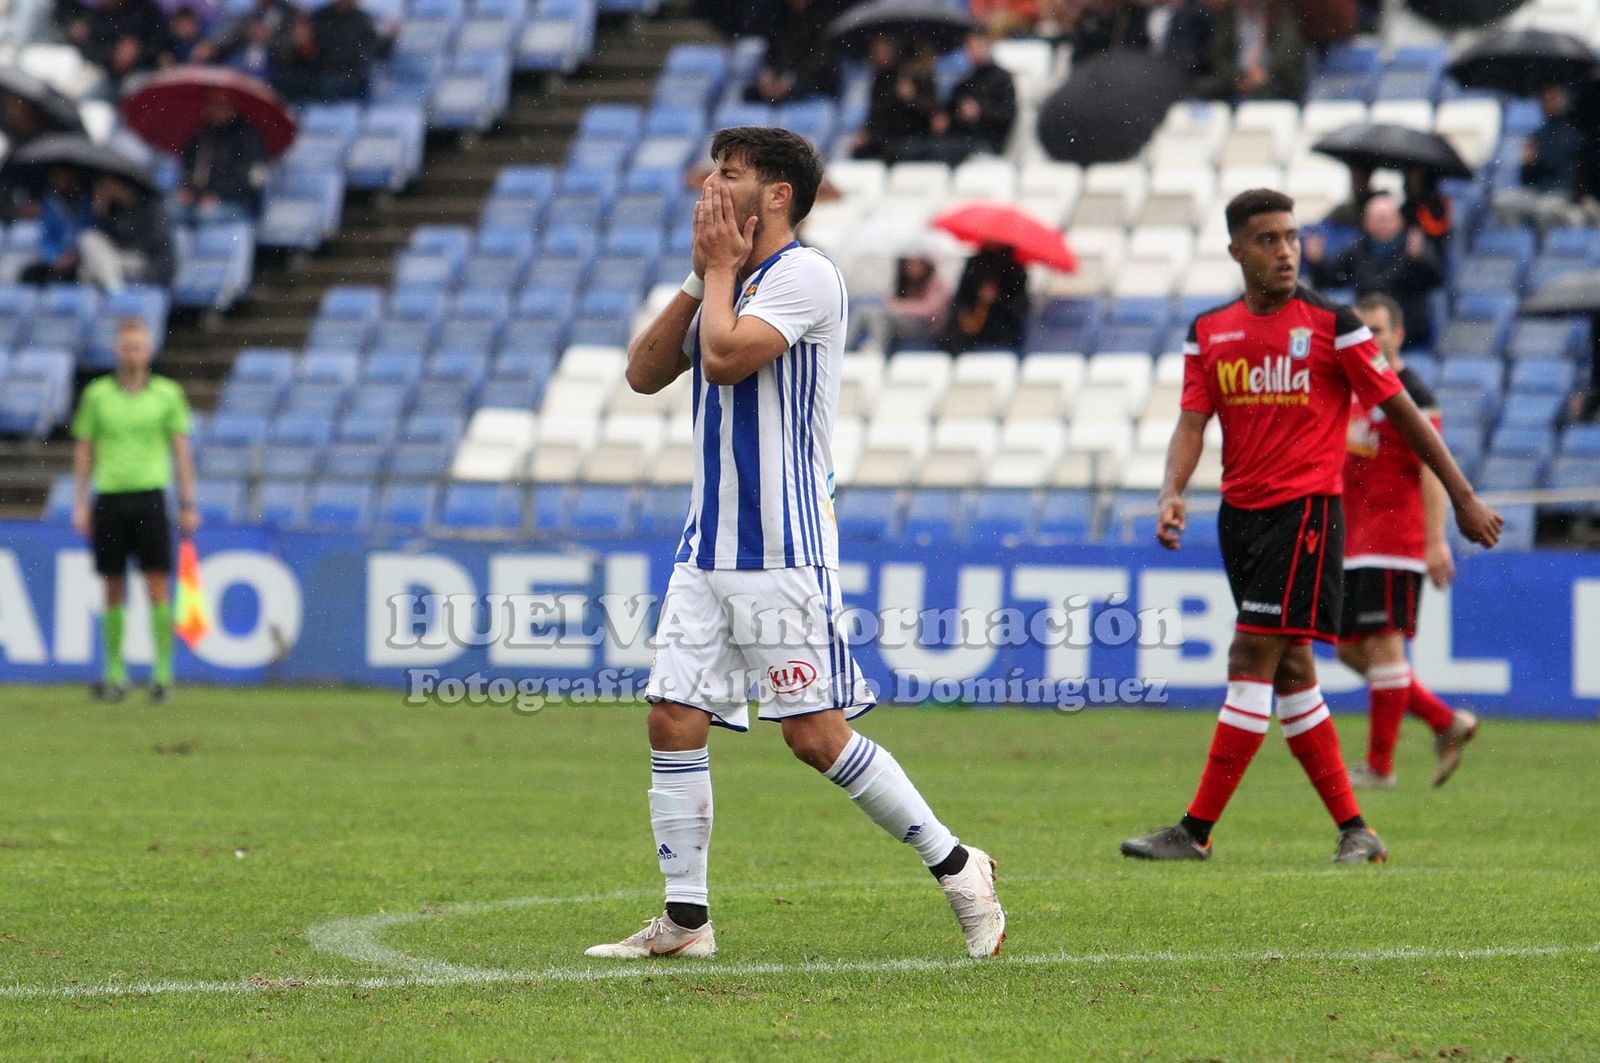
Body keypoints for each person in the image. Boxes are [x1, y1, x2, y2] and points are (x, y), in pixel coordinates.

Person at [588, 126, 1006, 961]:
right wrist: (700, 269)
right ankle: (686, 921)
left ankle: (961, 867)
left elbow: (726, 360)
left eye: (730, 173)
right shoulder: (724, 273)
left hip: (782, 545)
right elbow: (642, 373)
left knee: (814, 737)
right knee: (673, 716)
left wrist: (716, 272)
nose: (712, 183)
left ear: (776, 195)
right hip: (707, 543)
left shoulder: (806, 274)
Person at [1119, 188, 1501, 864]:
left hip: (1305, 514)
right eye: (1268, 239)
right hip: (1240, 519)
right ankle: (1358, 829)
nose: (1286, 250)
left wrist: (1462, 495)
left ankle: (1196, 828)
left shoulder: (1333, 323)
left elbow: (1403, 409)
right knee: (1292, 670)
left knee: (1249, 659)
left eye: (1292, 237)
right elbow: (1191, 421)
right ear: (1236, 249)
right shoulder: (1209, 330)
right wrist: (1170, 490)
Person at [1337, 293, 1479, 790]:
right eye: (1362, 330)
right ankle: (1444, 721)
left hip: (1394, 541)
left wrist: (1434, 540)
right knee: (1347, 650)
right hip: (1353, 542)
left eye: (1378, 329)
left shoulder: (1411, 392)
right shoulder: (1356, 388)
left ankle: (1379, 768)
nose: (1370, 339)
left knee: (1384, 650)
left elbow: (1431, 469)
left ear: (1397, 334)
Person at [71, 316, 198, 703]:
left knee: (157, 584)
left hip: (150, 497)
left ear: (149, 352)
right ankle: (115, 673)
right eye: (127, 347)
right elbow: (84, 449)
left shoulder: (167, 394)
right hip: (109, 497)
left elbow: (180, 451)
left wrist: (188, 502)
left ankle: (162, 674)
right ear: (116, 351)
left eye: (139, 347)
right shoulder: (97, 395)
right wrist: (80, 502)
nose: (133, 353)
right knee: (112, 585)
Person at [1304, 193, 1444, 350]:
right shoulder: (1357, 248)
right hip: (1367, 330)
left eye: (1386, 219)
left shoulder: (1413, 247)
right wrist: (1316, 262)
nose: (1382, 224)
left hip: (1407, 332)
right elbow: (1329, 279)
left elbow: (1437, 281)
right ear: (1367, 223)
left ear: (1398, 221)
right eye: (1378, 219)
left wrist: (1421, 259)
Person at [176, 90, 268, 223]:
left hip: (236, 202)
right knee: (172, 211)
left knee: (205, 215)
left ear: (233, 106)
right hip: (201, 199)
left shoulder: (247, 137)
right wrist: (189, 190)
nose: (217, 109)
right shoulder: (201, 134)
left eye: (222, 103)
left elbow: (248, 182)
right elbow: (188, 169)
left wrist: (218, 195)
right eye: (213, 104)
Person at [1193, 0, 1305, 103]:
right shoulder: (1227, 17)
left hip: (1272, 83)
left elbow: (1288, 50)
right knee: (1203, 89)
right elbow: (1219, 55)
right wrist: (1237, 77)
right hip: (1231, 84)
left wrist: (1268, 74)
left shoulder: (1279, 14)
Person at [280, 0, 390, 103]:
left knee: (327, 85)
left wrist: (390, 37)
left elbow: (379, 50)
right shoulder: (320, 17)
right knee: (288, 82)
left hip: (348, 77)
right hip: (318, 73)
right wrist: (302, 45)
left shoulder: (362, 20)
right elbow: (306, 50)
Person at [84, 174, 176, 291]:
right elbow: (103, 241)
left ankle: (116, 293)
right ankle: (114, 290)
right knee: (88, 244)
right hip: (114, 261)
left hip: (143, 262)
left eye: (107, 184)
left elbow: (159, 248)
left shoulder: (152, 206)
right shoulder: (113, 209)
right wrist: (100, 212)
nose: (105, 188)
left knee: (96, 269)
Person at [937, 32, 1018, 159]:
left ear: (988, 45)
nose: (975, 51)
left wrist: (980, 112)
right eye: (970, 47)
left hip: (988, 143)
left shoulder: (1002, 79)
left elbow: (1007, 115)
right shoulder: (965, 82)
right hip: (962, 141)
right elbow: (952, 113)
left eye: (979, 45)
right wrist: (945, 119)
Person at [743, 0, 840, 104]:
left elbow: (821, 57)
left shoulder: (825, 17)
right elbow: (774, 50)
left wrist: (792, 78)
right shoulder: (780, 15)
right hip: (783, 77)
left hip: (814, 79)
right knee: (751, 93)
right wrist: (768, 73)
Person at [65, 0, 174, 87]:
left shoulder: (146, 9)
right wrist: (113, 54)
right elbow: (90, 49)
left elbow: (160, 40)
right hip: (111, 76)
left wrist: (137, 53)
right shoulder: (97, 14)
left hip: (146, 72)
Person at [944, 243, 1029, 353]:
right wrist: (978, 302)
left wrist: (998, 299)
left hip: (1003, 335)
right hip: (970, 337)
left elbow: (1019, 307)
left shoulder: (1015, 269)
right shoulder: (974, 265)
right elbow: (962, 300)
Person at [192, 0, 301, 82]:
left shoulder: (287, 16)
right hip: (242, 69)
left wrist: (268, 39)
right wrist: (212, 45)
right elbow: (233, 33)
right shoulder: (251, 14)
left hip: (273, 75)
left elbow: (291, 52)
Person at [884, 254, 951, 351]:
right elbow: (890, 304)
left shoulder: (936, 283)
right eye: (909, 264)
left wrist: (901, 307)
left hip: (928, 329)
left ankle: (876, 351)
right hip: (906, 325)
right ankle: (859, 350)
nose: (912, 268)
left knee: (883, 320)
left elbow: (929, 310)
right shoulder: (905, 283)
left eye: (916, 264)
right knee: (867, 312)